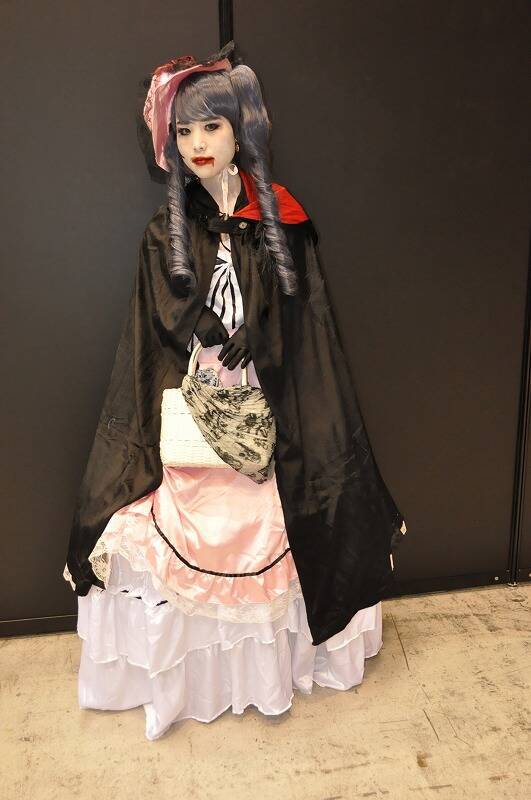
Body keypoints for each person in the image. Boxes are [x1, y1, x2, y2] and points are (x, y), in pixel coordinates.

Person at [63, 41, 407, 741]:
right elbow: (157, 315)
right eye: (184, 130)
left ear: (239, 129)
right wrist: (206, 326)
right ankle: (193, 676)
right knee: (174, 515)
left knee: (284, 510)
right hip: (195, 392)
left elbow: (302, 311)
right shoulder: (164, 231)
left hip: (268, 393)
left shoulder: (281, 217)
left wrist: (263, 333)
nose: (198, 144)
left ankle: (264, 671)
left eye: (210, 127)